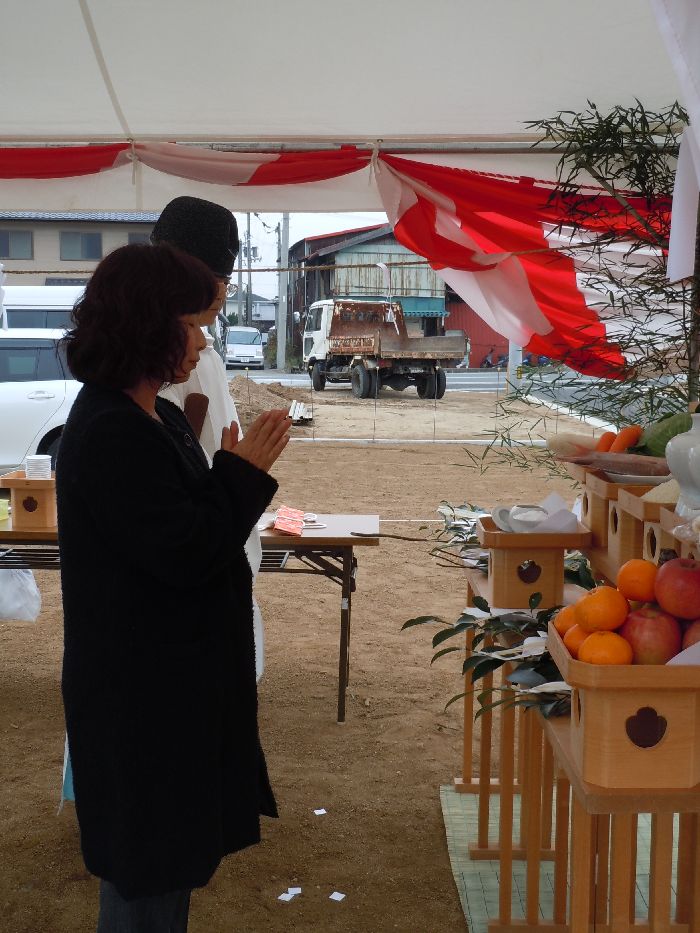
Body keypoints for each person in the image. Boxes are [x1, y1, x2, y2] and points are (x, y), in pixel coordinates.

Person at [57, 242, 290, 932]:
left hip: (166, 688)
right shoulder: (111, 431)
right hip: (141, 698)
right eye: (192, 325)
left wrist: (225, 471)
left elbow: (182, 525)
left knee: (167, 865)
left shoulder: (148, 416)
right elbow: (187, 551)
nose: (202, 342)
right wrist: (241, 475)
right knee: (148, 872)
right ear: (148, 324)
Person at [150, 196, 268, 683]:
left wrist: (240, 470)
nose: (221, 294)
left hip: (220, 555)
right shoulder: (156, 376)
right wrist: (241, 475)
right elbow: (176, 501)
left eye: (225, 280)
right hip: (192, 575)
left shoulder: (204, 352)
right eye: (215, 279)